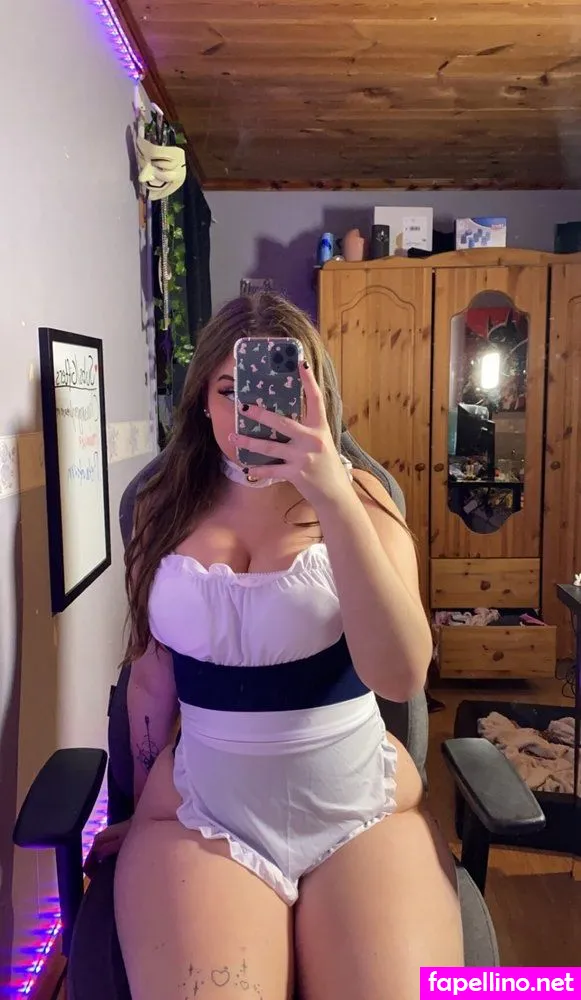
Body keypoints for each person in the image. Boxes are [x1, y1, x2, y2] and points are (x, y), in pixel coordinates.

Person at [87, 293, 463, 1000]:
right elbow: (150, 677)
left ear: (314, 394)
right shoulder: (159, 505)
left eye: (275, 387)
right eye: (228, 390)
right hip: (202, 813)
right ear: (202, 401)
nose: (249, 409)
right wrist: (130, 805)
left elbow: (401, 676)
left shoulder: (362, 497)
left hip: (359, 810)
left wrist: (331, 495)